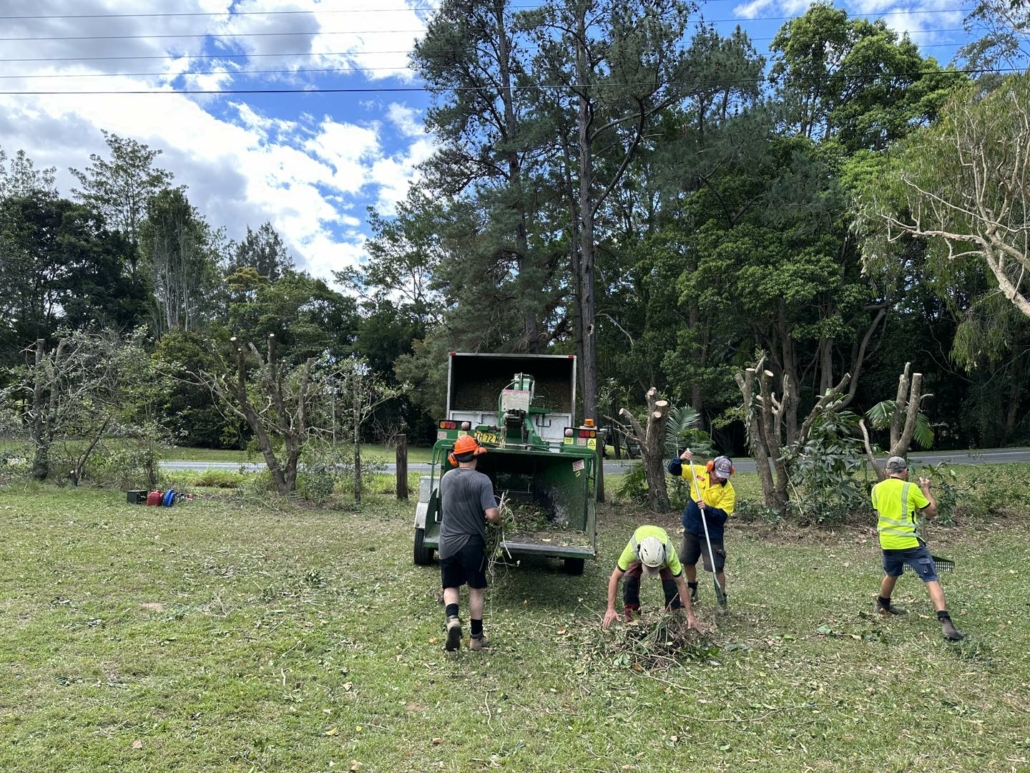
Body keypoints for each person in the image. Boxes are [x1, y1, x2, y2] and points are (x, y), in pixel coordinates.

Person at [872, 456, 964, 641]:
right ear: (905, 471)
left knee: (892, 572)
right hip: (910, 543)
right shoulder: (910, 488)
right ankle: (945, 620)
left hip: (888, 542)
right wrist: (926, 489)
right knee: (930, 578)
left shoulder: (876, 489)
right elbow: (932, 512)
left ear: (887, 472)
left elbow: (878, 512)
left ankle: (882, 605)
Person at [438, 435, 501, 652]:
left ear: (455, 458)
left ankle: (453, 618)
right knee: (475, 589)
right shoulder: (482, 480)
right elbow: (491, 514)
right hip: (471, 544)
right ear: (476, 455)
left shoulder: (446, 478)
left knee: (450, 585)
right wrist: (500, 520)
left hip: (446, 542)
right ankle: (476, 638)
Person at [602, 525, 702, 631]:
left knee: (671, 585)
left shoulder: (669, 554)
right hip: (640, 545)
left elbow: (680, 583)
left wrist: (690, 614)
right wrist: (610, 609)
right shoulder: (632, 550)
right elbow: (614, 577)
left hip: (662, 554)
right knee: (629, 582)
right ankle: (632, 620)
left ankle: (672, 619)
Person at [667, 450, 736, 603]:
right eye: (716, 474)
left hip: (712, 532)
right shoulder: (697, 470)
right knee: (687, 560)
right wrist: (680, 459)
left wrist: (708, 509)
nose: (718, 478)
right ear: (710, 467)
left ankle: (721, 597)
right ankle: (692, 589)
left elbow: (722, 516)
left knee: (716, 566)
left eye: (723, 476)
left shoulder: (728, 490)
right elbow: (673, 470)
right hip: (692, 525)